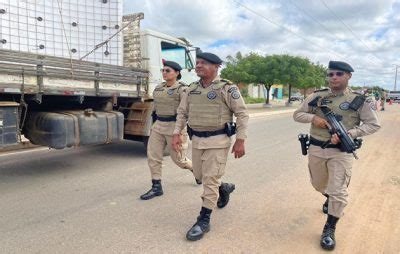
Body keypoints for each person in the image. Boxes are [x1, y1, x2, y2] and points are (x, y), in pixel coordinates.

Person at [293, 61, 380, 250]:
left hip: (342, 152)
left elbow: (373, 124)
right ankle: (329, 197)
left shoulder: (359, 100)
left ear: (349, 76)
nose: (334, 77)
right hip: (317, 148)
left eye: (339, 74)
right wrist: (314, 118)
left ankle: (329, 229)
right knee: (318, 184)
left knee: (338, 191)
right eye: (331, 74)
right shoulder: (316, 96)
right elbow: (298, 114)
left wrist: (352, 133)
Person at [172, 52, 249, 241]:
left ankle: (203, 220)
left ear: (216, 66)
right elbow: (182, 113)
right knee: (200, 176)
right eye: (197, 63)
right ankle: (224, 188)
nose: (198, 66)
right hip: (197, 140)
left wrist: (240, 140)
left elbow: (242, 114)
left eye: (203, 63)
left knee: (209, 179)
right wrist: (176, 134)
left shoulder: (227, 88)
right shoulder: (191, 89)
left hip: (218, 140)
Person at [140, 60, 200, 201]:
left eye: (168, 71)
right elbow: (154, 108)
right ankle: (156, 187)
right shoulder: (159, 88)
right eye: (163, 70)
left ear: (177, 73)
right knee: (153, 156)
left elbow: (185, 112)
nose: (164, 73)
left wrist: (178, 132)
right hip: (159, 125)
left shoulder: (183, 89)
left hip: (175, 127)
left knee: (179, 160)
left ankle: (196, 171)